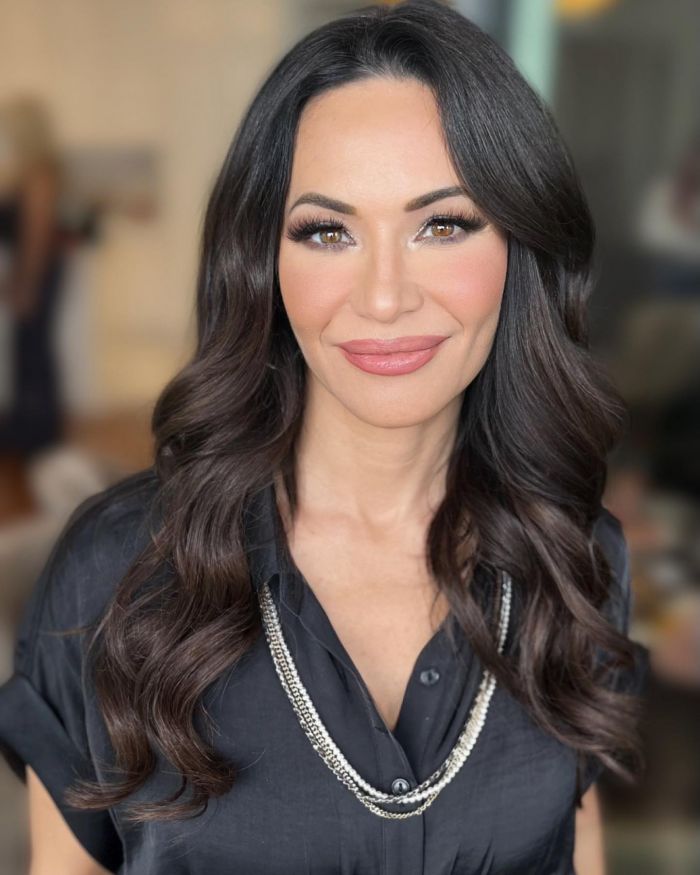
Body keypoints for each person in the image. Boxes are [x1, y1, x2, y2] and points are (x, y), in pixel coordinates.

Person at [0, 1, 650, 873]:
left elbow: (578, 844)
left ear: (519, 247)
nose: (384, 296)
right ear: (264, 262)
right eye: (327, 230)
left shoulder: (577, 562)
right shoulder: (117, 571)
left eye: (442, 224)